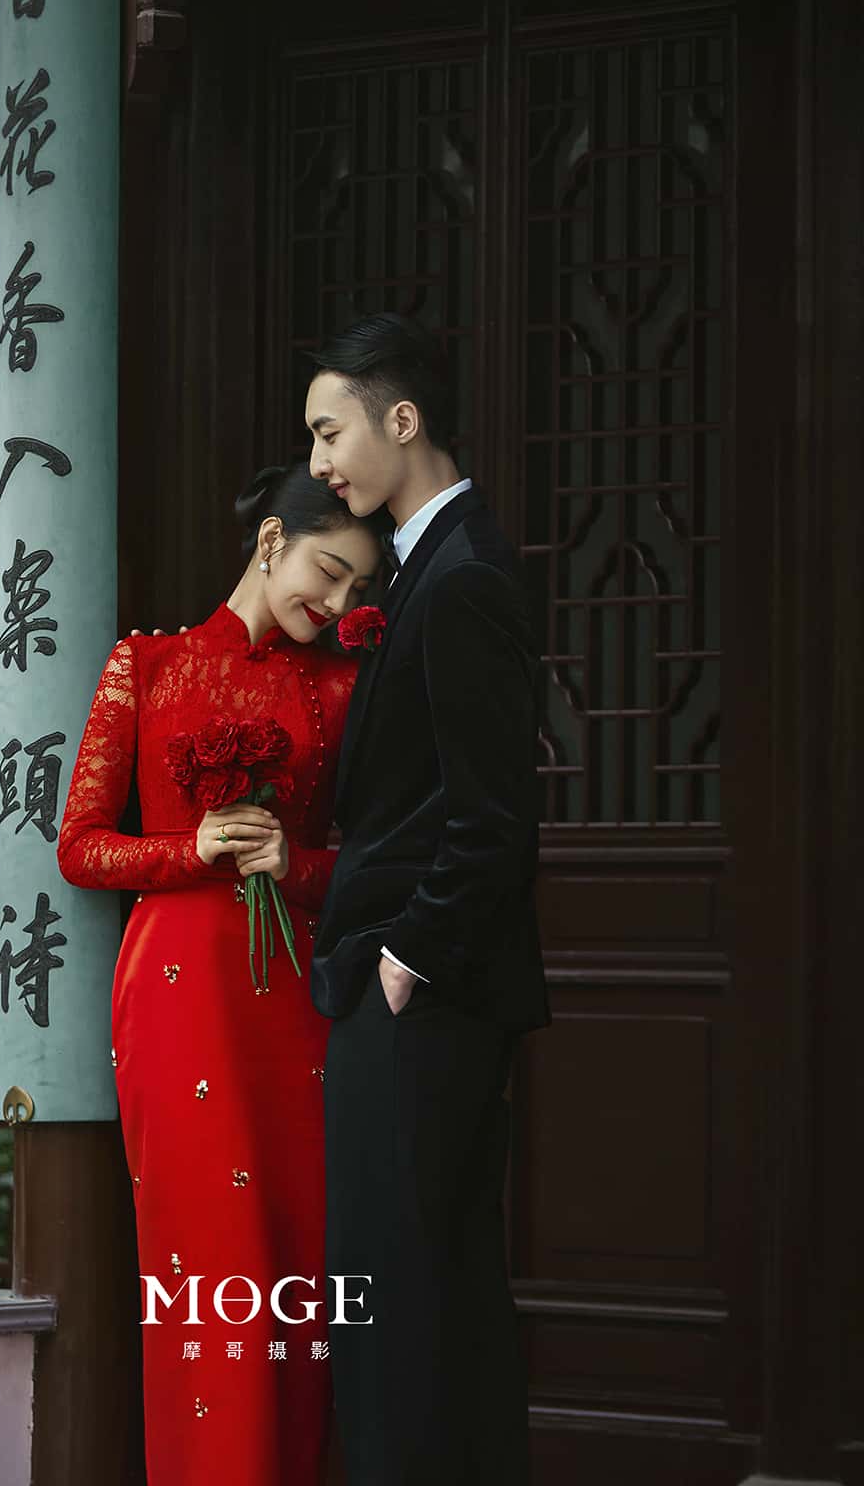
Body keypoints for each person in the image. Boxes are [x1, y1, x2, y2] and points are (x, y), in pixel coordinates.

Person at [57, 460, 392, 1486]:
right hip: (176, 996)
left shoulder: (342, 687)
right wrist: (191, 848)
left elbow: (382, 861)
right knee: (202, 1263)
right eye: (328, 572)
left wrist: (298, 865)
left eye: (355, 589)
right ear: (271, 542)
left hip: (294, 999)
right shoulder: (145, 664)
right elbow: (79, 846)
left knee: (298, 1270)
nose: (334, 601)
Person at [303, 312, 552, 1486]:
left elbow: (491, 813)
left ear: (401, 420)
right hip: (414, 992)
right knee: (425, 1298)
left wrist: (408, 960)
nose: (318, 463)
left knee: (401, 1305)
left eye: (329, 431)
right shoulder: (429, 568)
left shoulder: (459, 581)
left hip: (422, 996)